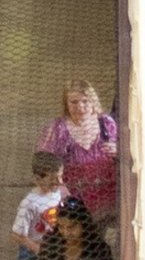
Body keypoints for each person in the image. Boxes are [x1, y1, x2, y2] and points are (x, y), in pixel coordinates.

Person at [39, 81, 119, 226]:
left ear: (93, 101)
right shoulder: (58, 128)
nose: (80, 107)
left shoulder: (106, 123)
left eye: (85, 101)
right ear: (66, 104)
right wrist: (60, 188)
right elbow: (43, 162)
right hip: (74, 199)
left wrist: (118, 151)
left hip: (109, 199)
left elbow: (130, 153)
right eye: (74, 102)